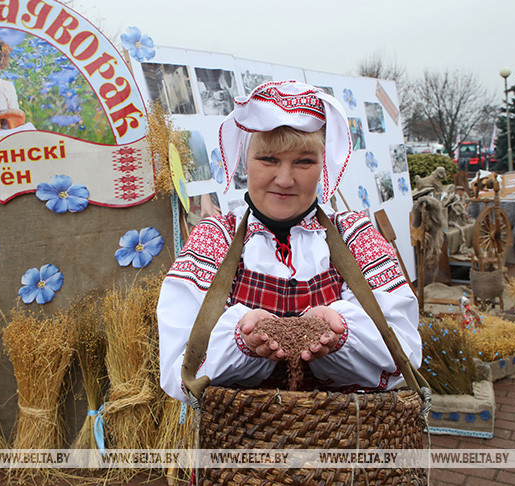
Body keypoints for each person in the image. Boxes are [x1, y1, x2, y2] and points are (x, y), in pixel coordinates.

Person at [157, 81, 421, 403]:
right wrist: (241, 340)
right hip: (241, 445)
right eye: (268, 159)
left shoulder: (356, 236)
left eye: (304, 162)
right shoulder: (214, 240)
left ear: (322, 164)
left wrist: (340, 336)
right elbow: (176, 372)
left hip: (343, 440)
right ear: (246, 161)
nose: (284, 179)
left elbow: (404, 351)